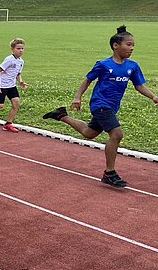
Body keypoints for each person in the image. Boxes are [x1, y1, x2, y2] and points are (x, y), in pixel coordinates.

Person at [43, 26, 158, 187]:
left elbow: (139, 86)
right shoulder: (103, 64)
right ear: (115, 45)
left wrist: (153, 96)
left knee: (89, 133)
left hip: (112, 107)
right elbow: (88, 80)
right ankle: (109, 172)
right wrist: (77, 97)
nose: (131, 48)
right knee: (117, 134)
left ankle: (61, 115)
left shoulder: (133, 66)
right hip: (100, 104)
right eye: (128, 44)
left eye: (133, 45)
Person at [0, 38, 28, 133]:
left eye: (22, 48)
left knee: (16, 104)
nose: (20, 50)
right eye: (18, 48)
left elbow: (18, 73)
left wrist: (21, 82)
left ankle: (8, 124)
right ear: (12, 49)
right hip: (2, 85)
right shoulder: (9, 60)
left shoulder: (21, 61)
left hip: (11, 86)